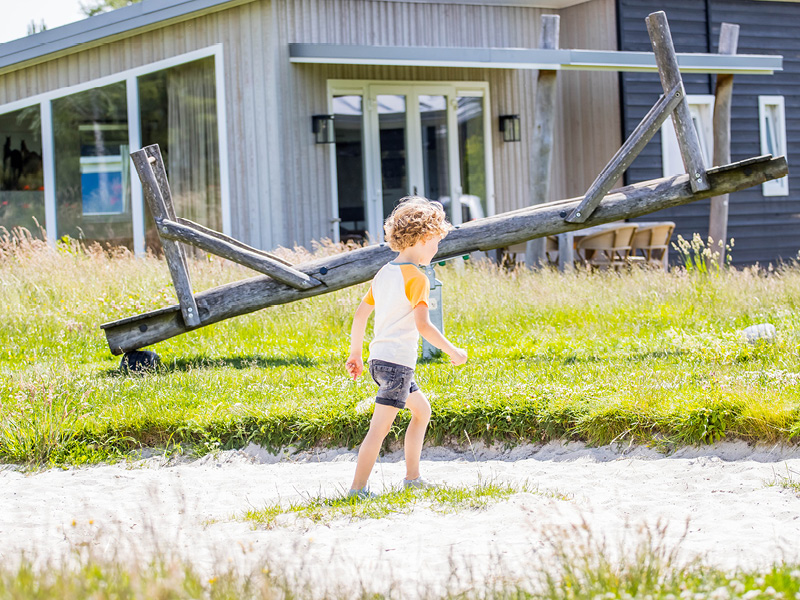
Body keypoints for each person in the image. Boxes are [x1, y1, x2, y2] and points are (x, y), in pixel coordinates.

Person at [345, 196, 468, 498]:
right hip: (397, 365)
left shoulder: (384, 272)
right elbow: (424, 326)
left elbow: (360, 315)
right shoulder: (417, 278)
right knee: (379, 430)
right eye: (436, 242)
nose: (437, 249)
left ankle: (413, 478)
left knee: (422, 411)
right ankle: (357, 490)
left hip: (379, 361)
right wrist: (453, 351)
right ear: (424, 238)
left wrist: (355, 354)